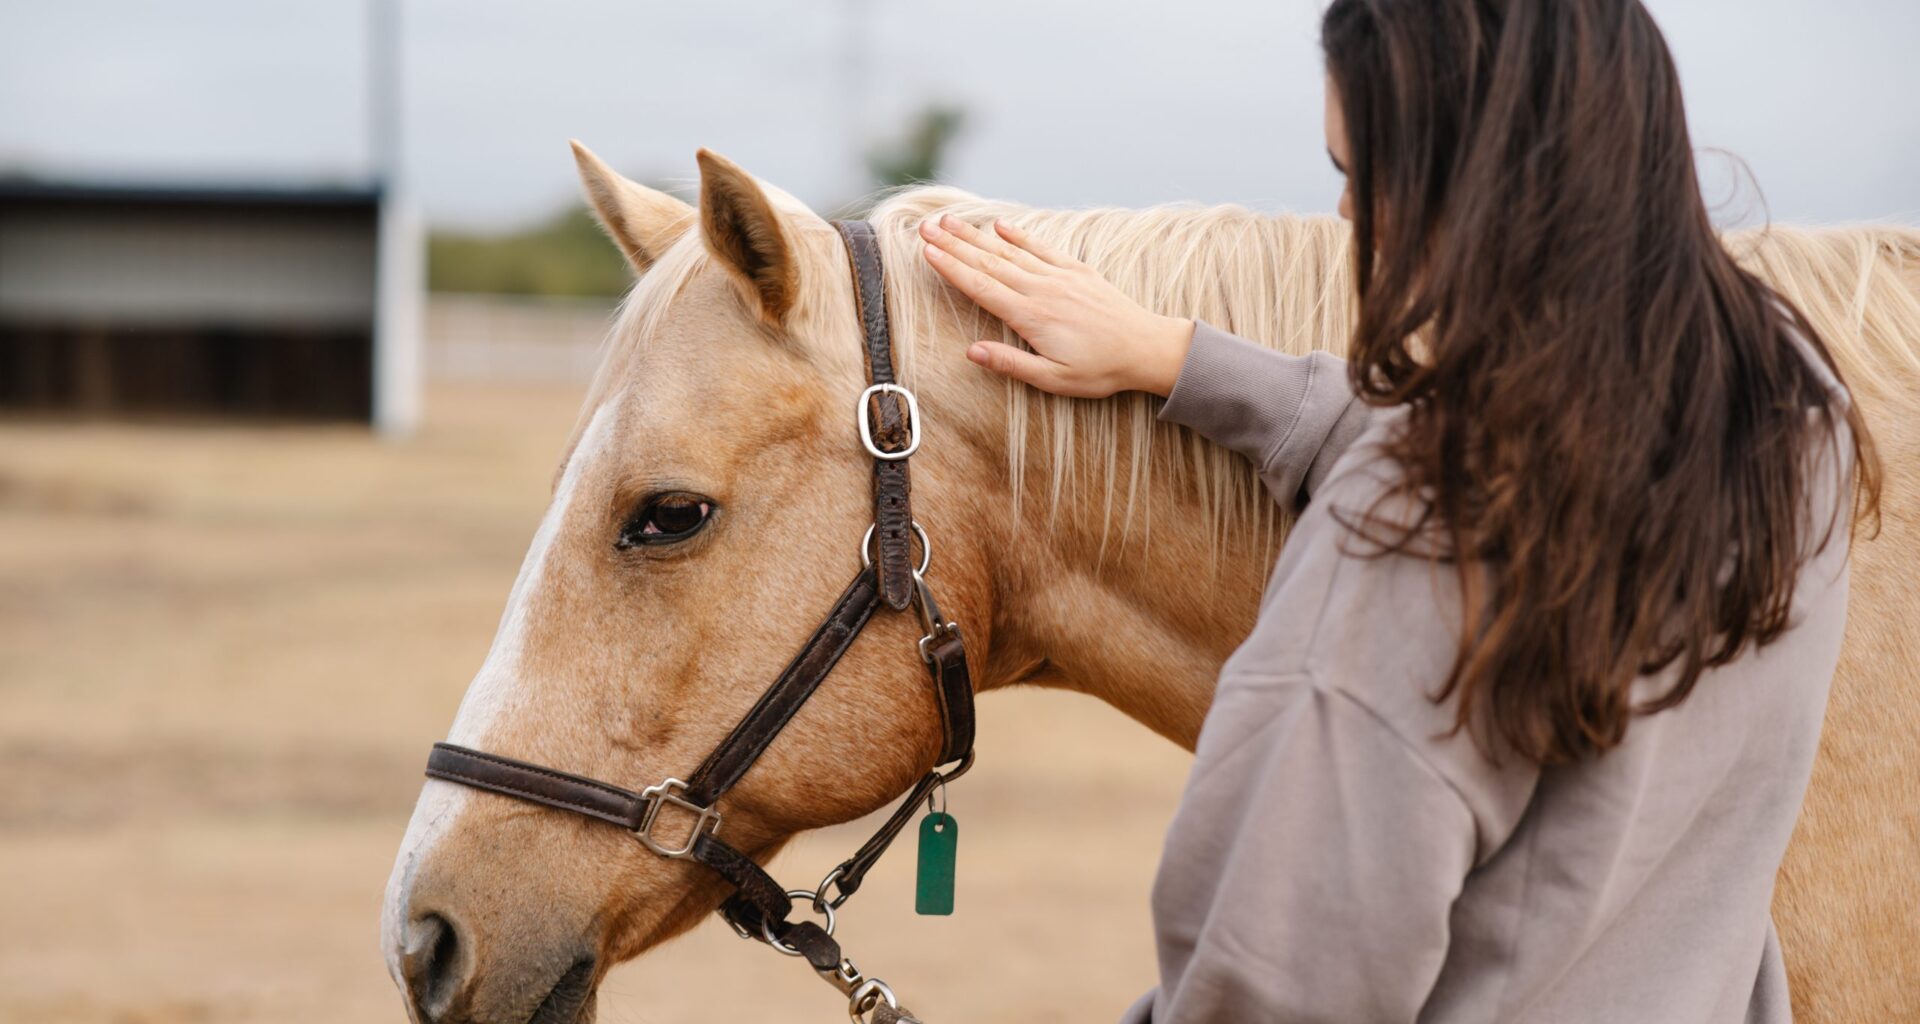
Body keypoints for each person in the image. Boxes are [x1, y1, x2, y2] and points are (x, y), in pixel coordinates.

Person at [915, 0, 1880, 1020]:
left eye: (1355, 172)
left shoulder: (1416, 533)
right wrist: (1172, 357)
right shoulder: (1792, 422)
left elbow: (1275, 988)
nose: (1343, 215)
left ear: (1469, 177)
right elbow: (1473, 463)